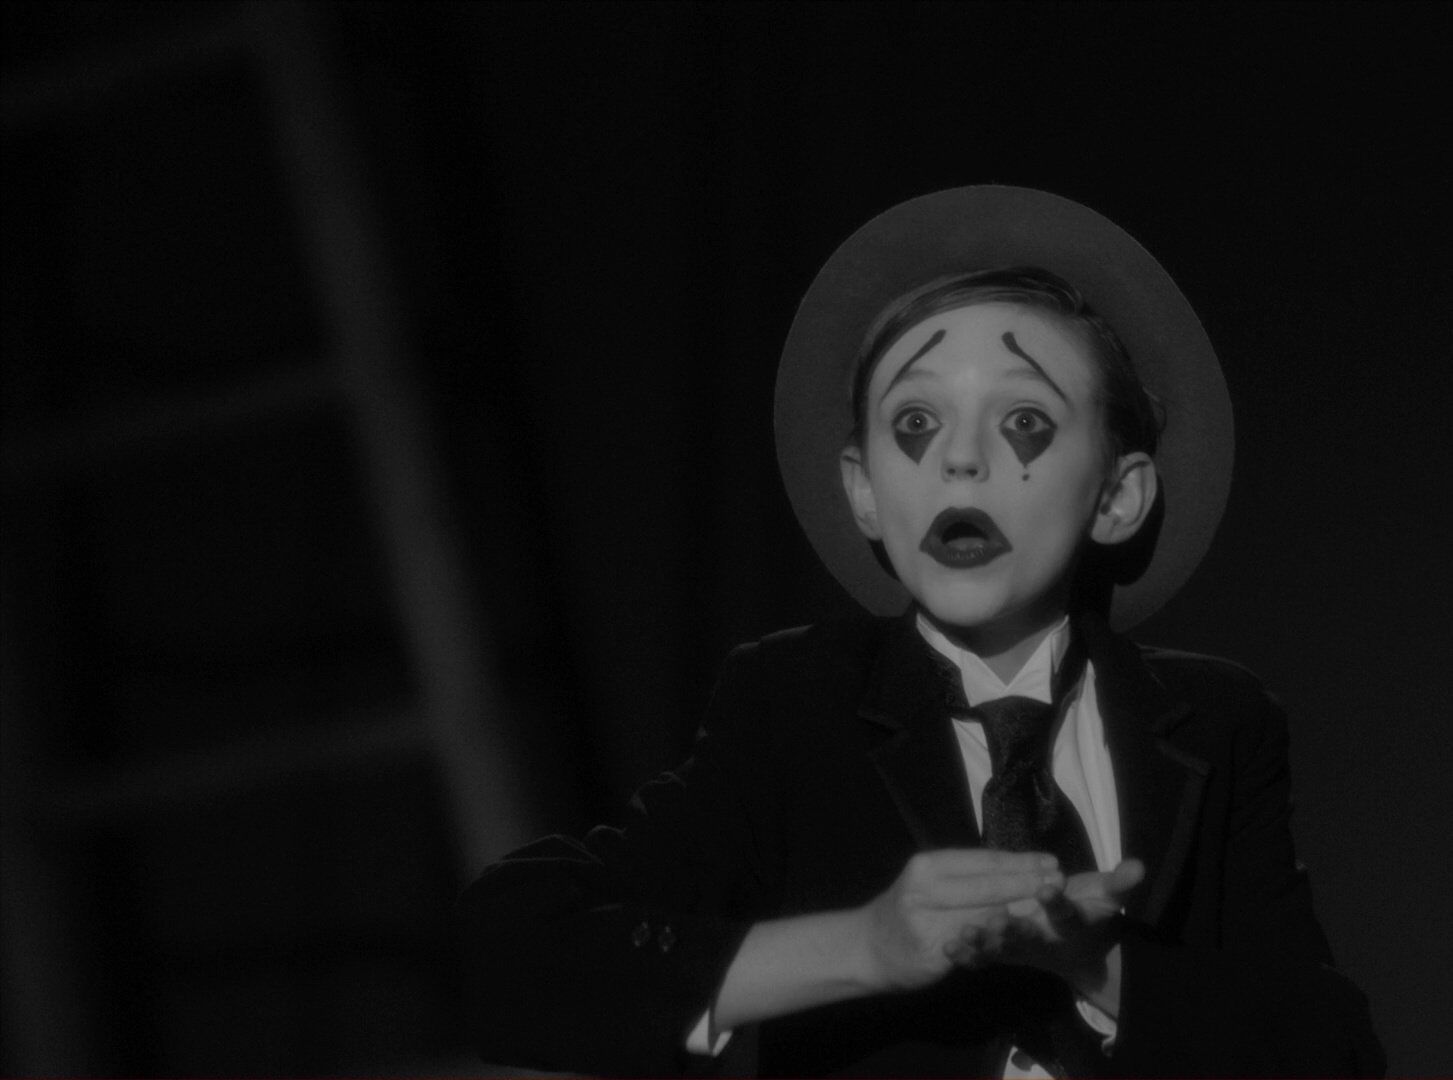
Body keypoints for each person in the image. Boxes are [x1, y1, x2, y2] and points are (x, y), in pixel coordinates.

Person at [458, 187, 1384, 1079]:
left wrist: (1094, 965)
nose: (961, 459)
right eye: (915, 421)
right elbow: (511, 957)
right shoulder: (796, 706)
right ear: (864, 488)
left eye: (1024, 420)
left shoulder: (1217, 722)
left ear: (1116, 495)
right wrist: (866, 946)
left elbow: (1329, 1050)